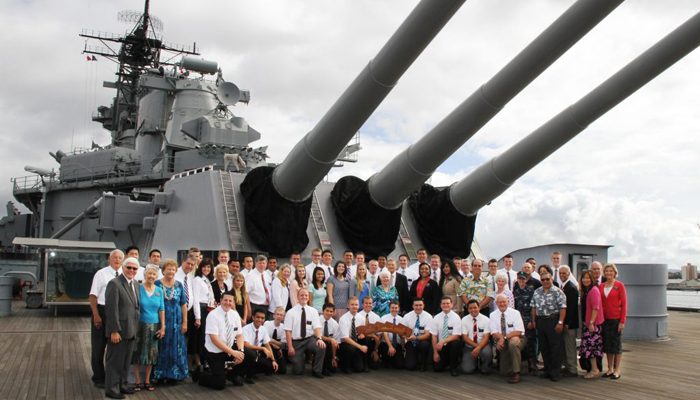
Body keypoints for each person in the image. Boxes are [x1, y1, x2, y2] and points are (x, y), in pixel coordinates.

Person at [104, 257, 141, 399]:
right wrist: (114, 330)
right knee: (115, 362)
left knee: (126, 361)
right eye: (129, 267)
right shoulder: (114, 284)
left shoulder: (136, 284)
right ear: (123, 268)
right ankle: (112, 389)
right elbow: (111, 309)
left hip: (131, 330)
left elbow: (135, 307)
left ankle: (123, 385)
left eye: (134, 268)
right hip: (119, 331)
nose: (131, 270)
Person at [196, 291, 248, 390]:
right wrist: (233, 352)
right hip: (214, 351)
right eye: (225, 300)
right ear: (220, 301)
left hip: (228, 347)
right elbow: (214, 340)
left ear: (233, 302)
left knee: (248, 355)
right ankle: (201, 375)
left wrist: (240, 351)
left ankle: (232, 375)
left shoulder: (235, 314)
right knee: (219, 384)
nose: (228, 303)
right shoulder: (213, 315)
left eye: (230, 301)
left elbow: (240, 335)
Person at [89, 249, 123, 388]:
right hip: (102, 311)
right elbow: (93, 296)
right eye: (114, 257)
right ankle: (98, 377)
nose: (117, 260)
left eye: (120, 258)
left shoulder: (125, 274)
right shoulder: (101, 274)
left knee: (115, 348)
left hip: (118, 313)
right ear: (109, 259)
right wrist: (96, 315)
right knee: (99, 347)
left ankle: (112, 375)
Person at [154, 259, 189, 383]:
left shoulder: (179, 285)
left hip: (176, 322)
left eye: (173, 269)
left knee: (176, 347)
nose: (171, 271)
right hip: (161, 321)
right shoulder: (157, 284)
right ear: (163, 270)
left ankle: (174, 375)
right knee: (161, 347)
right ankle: (160, 374)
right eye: (168, 269)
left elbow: (184, 304)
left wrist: (185, 322)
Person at [131, 264, 164, 392]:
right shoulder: (138, 289)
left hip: (154, 325)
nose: (151, 276)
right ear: (145, 275)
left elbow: (162, 309)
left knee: (152, 353)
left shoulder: (159, 290)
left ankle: (147, 380)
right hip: (140, 325)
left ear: (156, 276)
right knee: (137, 352)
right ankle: (138, 381)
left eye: (153, 274)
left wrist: (163, 327)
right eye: (149, 273)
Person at [531, 271, 567, 382]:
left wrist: (560, 322)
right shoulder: (537, 291)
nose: (545, 281)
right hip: (541, 321)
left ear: (551, 279)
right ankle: (547, 370)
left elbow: (563, 308)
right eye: (543, 280)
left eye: (547, 279)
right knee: (544, 347)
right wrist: (533, 321)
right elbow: (533, 307)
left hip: (553, 321)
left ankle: (555, 372)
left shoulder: (558, 292)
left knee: (555, 347)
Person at [284, 289, 326, 378]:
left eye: (306, 295)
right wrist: (290, 347)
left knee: (321, 346)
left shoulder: (313, 311)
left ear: (308, 297)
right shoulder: (290, 312)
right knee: (298, 371)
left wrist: (319, 339)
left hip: (309, 339)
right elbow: (288, 331)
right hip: (296, 342)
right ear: (297, 297)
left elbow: (317, 327)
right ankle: (300, 362)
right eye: (302, 295)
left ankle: (316, 370)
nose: (304, 297)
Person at [489, 293, 526, 384]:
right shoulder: (493, 315)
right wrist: (501, 339)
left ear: (508, 302)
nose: (502, 304)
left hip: (517, 338)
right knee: (504, 372)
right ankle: (522, 366)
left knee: (512, 343)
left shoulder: (515, 313)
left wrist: (503, 338)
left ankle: (516, 372)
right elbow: (493, 332)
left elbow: (519, 331)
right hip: (503, 340)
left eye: (504, 302)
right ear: (496, 303)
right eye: (499, 302)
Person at [174, 255, 201, 374]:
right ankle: (175, 369)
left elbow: (193, 296)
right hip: (175, 312)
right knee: (176, 341)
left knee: (186, 341)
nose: (189, 266)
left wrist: (197, 316)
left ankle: (183, 367)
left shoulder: (191, 276)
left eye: (192, 265)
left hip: (188, 313)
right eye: (188, 263)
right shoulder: (175, 274)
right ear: (182, 262)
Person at [600, 263, 627, 380]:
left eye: (611, 271)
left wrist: (622, 321)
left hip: (616, 319)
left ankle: (617, 369)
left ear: (615, 273)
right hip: (604, 320)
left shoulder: (619, 286)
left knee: (616, 345)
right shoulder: (601, 286)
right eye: (606, 271)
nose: (608, 273)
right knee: (608, 345)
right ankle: (610, 368)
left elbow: (625, 304)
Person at [337, 296, 374, 372]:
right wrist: (360, 347)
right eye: (352, 304)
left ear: (359, 305)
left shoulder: (361, 318)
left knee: (367, 340)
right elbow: (346, 338)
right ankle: (345, 366)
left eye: (356, 305)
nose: (354, 307)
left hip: (356, 342)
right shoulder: (343, 319)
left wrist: (362, 335)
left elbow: (362, 332)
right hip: (345, 344)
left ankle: (365, 364)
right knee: (350, 348)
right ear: (348, 306)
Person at [579, 270, 604, 379]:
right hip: (589, 323)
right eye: (584, 278)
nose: (585, 280)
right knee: (588, 347)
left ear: (592, 279)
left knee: (592, 348)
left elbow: (595, 308)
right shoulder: (587, 290)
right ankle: (593, 369)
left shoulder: (594, 290)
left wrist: (591, 323)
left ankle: (595, 370)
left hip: (593, 324)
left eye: (588, 278)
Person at [242, 309, 279, 383]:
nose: (260, 320)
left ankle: (252, 371)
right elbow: (246, 345)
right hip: (247, 354)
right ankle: (247, 375)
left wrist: (273, 360)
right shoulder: (245, 329)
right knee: (251, 354)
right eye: (258, 317)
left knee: (271, 367)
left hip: (257, 354)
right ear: (253, 317)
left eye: (262, 318)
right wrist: (262, 348)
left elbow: (267, 345)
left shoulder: (263, 329)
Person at [430, 297, 462, 376]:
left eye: (448, 303)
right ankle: (446, 362)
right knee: (437, 368)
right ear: (440, 305)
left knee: (456, 343)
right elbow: (434, 336)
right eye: (443, 303)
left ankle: (453, 367)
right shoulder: (436, 318)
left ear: (451, 305)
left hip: (451, 344)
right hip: (440, 347)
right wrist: (435, 353)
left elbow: (456, 335)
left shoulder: (456, 317)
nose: (445, 305)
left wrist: (443, 341)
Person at [193, 259, 216, 372]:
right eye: (204, 267)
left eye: (208, 267)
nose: (206, 269)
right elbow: (196, 299)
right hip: (201, 310)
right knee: (201, 338)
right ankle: (200, 362)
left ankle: (205, 360)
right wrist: (198, 317)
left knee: (206, 337)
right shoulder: (197, 280)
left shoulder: (206, 280)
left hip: (209, 309)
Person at [513, 271, 537, 374]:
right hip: (518, 321)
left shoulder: (531, 291)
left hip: (528, 321)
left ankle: (532, 364)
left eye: (523, 279)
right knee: (520, 342)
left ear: (526, 280)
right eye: (520, 279)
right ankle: (521, 364)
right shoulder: (515, 291)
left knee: (530, 342)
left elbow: (533, 308)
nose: (521, 281)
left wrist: (532, 321)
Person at [401, 298, 433, 371]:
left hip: (422, 340)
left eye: (420, 305)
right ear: (413, 306)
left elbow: (427, 335)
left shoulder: (428, 317)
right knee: (410, 366)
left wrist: (416, 338)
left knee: (424, 345)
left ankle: (423, 363)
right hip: (410, 341)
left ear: (423, 305)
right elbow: (402, 332)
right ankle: (415, 360)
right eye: (416, 305)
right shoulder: (407, 316)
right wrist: (405, 336)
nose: (418, 307)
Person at [460, 299, 491, 375]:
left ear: (479, 308)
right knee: (467, 370)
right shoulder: (464, 320)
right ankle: (474, 362)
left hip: (483, 345)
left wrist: (479, 348)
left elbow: (486, 337)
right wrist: (476, 347)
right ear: (468, 309)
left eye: (475, 307)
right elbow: (464, 337)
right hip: (469, 346)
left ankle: (484, 366)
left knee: (486, 353)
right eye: (470, 308)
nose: (473, 310)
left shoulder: (486, 320)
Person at [559, 265, 580, 378]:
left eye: (564, 273)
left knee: (570, 346)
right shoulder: (563, 286)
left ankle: (572, 369)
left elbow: (572, 308)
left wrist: (567, 323)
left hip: (569, 324)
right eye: (560, 273)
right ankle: (567, 367)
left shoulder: (571, 288)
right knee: (564, 346)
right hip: (564, 323)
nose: (562, 275)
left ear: (569, 274)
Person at [379, 301, 405, 369]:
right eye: (392, 308)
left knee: (400, 365)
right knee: (386, 364)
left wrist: (401, 334)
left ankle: (393, 360)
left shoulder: (402, 320)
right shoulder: (384, 318)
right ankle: (386, 360)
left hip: (397, 344)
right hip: (386, 344)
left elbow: (402, 337)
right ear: (389, 308)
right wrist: (390, 346)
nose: (394, 309)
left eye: (396, 308)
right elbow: (385, 333)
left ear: (399, 308)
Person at [358, 296, 382, 368]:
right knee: (366, 339)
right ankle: (365, 362)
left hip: (373, 344)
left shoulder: (377, 317)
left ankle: (372, 357)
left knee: (375, 366)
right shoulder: (358, 315)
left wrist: (375, 350)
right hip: (361, 342)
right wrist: (373, 335)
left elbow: (379, 335)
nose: (368, 305)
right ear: (362, 304)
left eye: (370, 303)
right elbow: (359, 332)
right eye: (366, 303)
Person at [320, 302, 340, 375]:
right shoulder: (317, 320)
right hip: (318, 342)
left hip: (330, 346)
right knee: (325, 344)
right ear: (323, 311)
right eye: (327, 310)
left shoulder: (335, 324)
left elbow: (336, 341)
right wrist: (330, 339)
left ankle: (330, 363)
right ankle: (323, 368)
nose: (329, 313)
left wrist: (333, 357)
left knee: (333, 370)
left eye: (331, 311)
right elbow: (317, 335)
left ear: (334, 312)